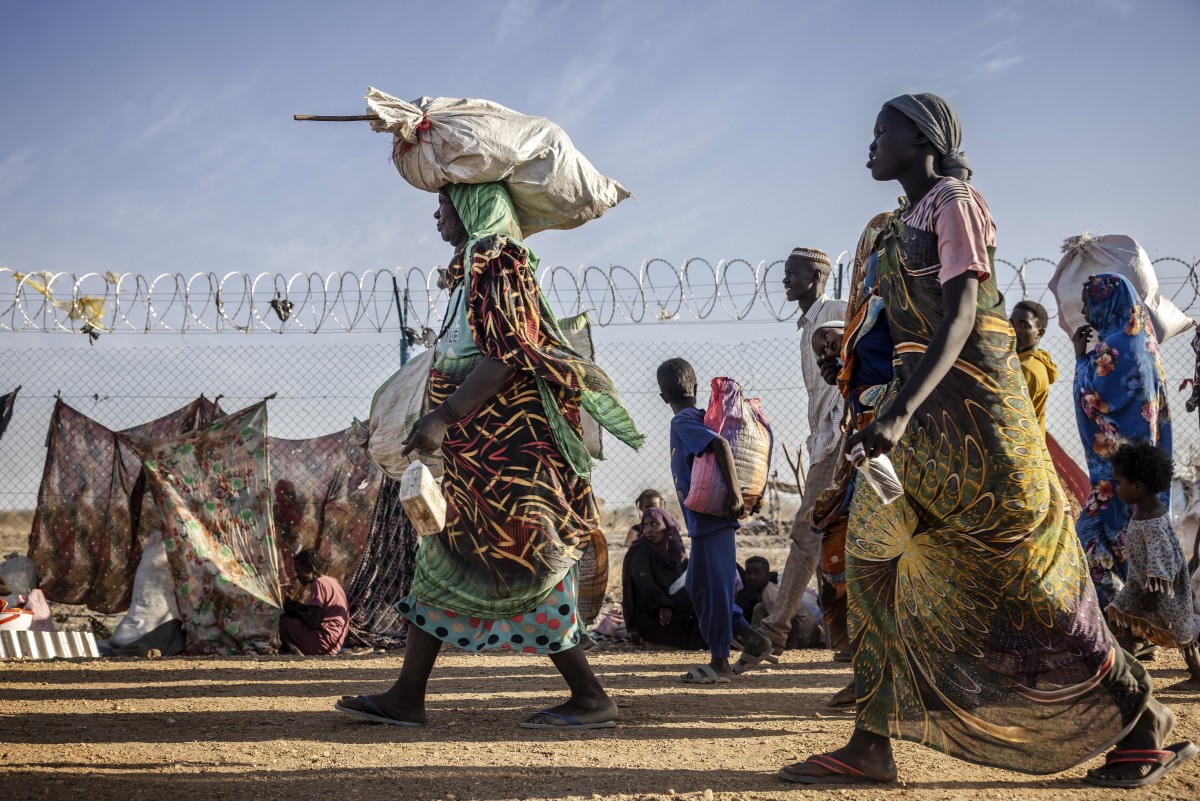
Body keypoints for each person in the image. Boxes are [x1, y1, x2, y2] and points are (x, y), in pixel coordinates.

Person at [781, 92, 1191, 789]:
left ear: (926, 138)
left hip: (979, 426)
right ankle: (871, 741)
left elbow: (965, 310)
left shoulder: (954, 203)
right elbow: (890, 327)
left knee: (1029, 582)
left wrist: (900, 410)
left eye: (886, 132)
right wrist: (855, 370)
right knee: (876, 563)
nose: (871, 143)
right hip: (917, 429)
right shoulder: (889, 230)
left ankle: (1143, 719)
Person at [336, 182, 643, 730]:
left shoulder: (499, 260)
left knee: (527, 562)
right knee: (444, 558)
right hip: (476, 456)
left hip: (511, 457)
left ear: (474, 208)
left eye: (444, 205)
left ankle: (591, 697)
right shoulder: (471, 268)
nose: (436, 215)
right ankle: (407, 696)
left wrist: (443, 416)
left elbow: (508, 355)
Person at [739, 247, 848, 672]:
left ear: (818, 275)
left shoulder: (836, 311)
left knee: (808, 528)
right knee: (830, 539)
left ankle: (774, 630)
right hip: (824, 436)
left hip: (842, 431)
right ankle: (846, 639)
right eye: (784, 274)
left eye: (793, 275)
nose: (785, 282)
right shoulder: (806, 327)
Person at [657, 357, 775, 683]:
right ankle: (753, 641)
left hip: (711, 521)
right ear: (694, 388)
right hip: (705, 523)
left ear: (662, 395)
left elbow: (720, 444)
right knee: (699, 586)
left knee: (716, 590)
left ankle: (719, 662)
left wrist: (737, 495)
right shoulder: (696, 416)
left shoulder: (682, 420)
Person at [1074, 273, 1173, 610]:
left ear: (1107, 301)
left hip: (1119, 477)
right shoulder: (1145, 342)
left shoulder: (1115, 346)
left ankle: (1133, 621)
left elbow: (1092, 399)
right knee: (1130, 548)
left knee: (1094, 538)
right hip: (1139, 475)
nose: (1086, 313)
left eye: (1089, 303)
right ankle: (1133, 622)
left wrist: (1080, 359)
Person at [1106, 441, 1200, 691]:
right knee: (1117, 615)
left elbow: (1163, 561)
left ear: (1137, 486)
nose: (1116, 489)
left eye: (1119, 483)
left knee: (1183, 634)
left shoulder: (1152, 521)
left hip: (1163, 591)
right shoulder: (1145, 510)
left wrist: (1153, 593)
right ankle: (1128, 671)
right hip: (1141, 584)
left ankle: (1198, 675)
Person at [621, 506, 705, 650]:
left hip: (678, 611)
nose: (648, 530)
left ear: (667, 526)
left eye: (654, 524)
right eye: (645, 525)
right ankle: (653, 641)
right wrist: (662, 603)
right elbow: (644, 582)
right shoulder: (640, 550)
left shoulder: (676, 552)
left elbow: (689, 578)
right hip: (654, 613)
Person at [280, 549, 350, 656]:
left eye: (299, 572)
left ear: (311, 569)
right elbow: (322, 612)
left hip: (323, 642)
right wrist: (298, 607)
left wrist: (296, 611)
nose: (298, 576)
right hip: (335, 642)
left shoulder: (318, 583)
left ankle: (296, 652)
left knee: (283, 621)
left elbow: (314, 621)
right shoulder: (332, 581)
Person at [1010, 300, 1056, 434]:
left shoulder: (1026, 369)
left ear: (1039, 334)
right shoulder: (1021, 362)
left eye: (1023, 325)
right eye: (1011, 323)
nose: (1014, 330)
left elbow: (1011, 417)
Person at [734, 556, 778, 626]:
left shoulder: (770, 595)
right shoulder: (759, 593)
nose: (752, 577)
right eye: (748, 573)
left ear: (768, 576)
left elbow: (779, 622)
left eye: (757, 573)